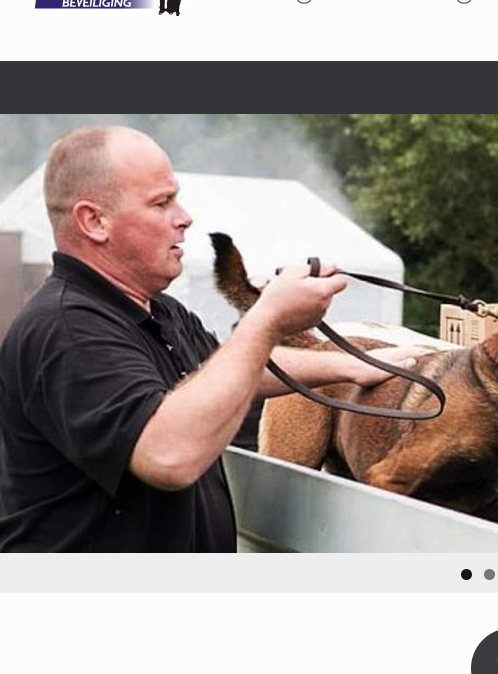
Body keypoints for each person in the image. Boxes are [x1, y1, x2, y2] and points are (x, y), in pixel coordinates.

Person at [0, 126, 426, 552]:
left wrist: (349, 365)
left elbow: (226, 369)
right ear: (94, 221)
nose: (184, 217)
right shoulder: (68, 328)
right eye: (161, 203)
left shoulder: (159, 309)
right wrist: (269, 316)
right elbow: (168, 456)